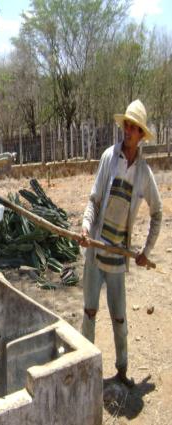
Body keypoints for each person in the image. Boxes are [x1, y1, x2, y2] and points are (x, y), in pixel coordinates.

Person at [80, 99, 162, 387]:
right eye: (126, 124)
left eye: (134, 127)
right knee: (89, 314)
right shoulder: (108, 158)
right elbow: (94, 201)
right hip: (96, 252)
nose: (128, 130)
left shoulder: (144, 174)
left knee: (119, 319)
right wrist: (86, 227)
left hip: (117, 258)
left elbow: (158, 213)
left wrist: (145, 252)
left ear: (141, 134)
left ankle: (122, 371)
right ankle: (84, 370)